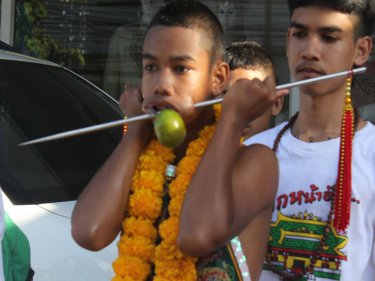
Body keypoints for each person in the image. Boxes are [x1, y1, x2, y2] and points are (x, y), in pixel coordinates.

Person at [71, 1, 280, 281]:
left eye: (180, 68)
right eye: (150, 67)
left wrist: (232, 119)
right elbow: (89, 233)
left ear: (218, 78)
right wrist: (136, 131)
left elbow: (196, 236)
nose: (161, 84)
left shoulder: (255, 161)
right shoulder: (142, 157)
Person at [182, 0, 375, 280]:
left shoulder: (370, 154)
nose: (309, 51)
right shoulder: (253, 151)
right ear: (287, 41)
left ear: (361, 50)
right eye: (299, 34)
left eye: (329, 37)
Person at [224, 40, 285, 140]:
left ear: (276, 103)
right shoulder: (202, 153)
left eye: (251, 96)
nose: (241, 108)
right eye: (229, 97)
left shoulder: (284, 154)